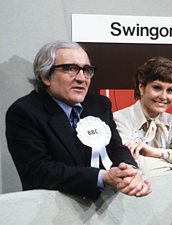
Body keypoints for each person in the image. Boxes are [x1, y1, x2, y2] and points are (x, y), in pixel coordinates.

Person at [6, 41, 151, 200]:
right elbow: (38, 171)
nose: (82, 78)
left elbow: (116, 147)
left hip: (106, 207)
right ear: (46, 76)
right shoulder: (24, 112)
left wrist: (130, 171)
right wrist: (102, 177)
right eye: (71, 69)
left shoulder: (99, 104)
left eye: (87, 70)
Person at [113, 56, 172, 174]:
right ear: (141, 87)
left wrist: (157, 152)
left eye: (170, 90)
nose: (164, 97)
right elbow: (136, 166)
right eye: (157, 88)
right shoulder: (119, 120)